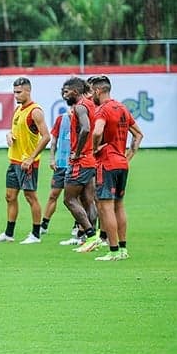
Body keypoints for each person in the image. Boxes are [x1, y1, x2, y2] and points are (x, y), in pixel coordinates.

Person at [0, 77, 51, 245]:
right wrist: (9, 135)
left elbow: (46, 137)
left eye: (19, 92)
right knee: (10, 196)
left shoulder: (35, 111)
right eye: (14, 92)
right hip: (14, 160)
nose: (15, 95)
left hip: (27, 163)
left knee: (30, 197)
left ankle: (36, 234)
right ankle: (9, 233)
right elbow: (15, 130)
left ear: (28, 91)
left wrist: (31, 158)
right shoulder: (18, 110)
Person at [90, 75, 144, 261]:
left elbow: (97, 131)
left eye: (92, 92)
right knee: (119, 205)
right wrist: (127, 156)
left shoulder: (102, 110)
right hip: (121, 164)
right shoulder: (122, 108)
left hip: (106, 163)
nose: (91, 96)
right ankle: (122, 249)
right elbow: (138, 135)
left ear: (98, 91)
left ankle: (112, 251)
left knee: (106, 208)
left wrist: (95, 147)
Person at [60, 77, 102, 253]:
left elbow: (85, 128)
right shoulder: (89, 104)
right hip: (90, 160)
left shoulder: (79, 107)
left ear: (75, 92)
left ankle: (91, 235)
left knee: (69, 200)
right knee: (87, 200)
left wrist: (77, 152)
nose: (64, 94)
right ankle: (91, 239)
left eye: (66, 91)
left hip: (80, 161)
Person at [41, 97, 75, 241]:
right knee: (53, 194)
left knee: (76, 198)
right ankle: (44, 224)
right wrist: (52, 158)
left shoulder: (85, 120)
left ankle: (78, 225)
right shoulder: (61, 119)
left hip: (76, 165)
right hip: (61, 164)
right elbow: (54, 140)